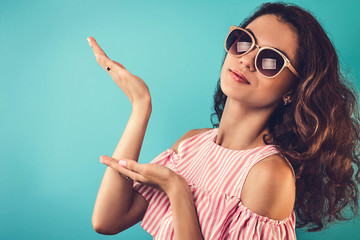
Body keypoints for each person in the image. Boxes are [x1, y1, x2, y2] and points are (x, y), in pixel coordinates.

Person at [90, 2, 360, 239]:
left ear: (293, 90)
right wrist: (140, 106)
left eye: (270, 60)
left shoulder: (269, 175)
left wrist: (178, 190)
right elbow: (108, 221)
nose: (246, 60)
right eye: (243, 41)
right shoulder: (192, 143)